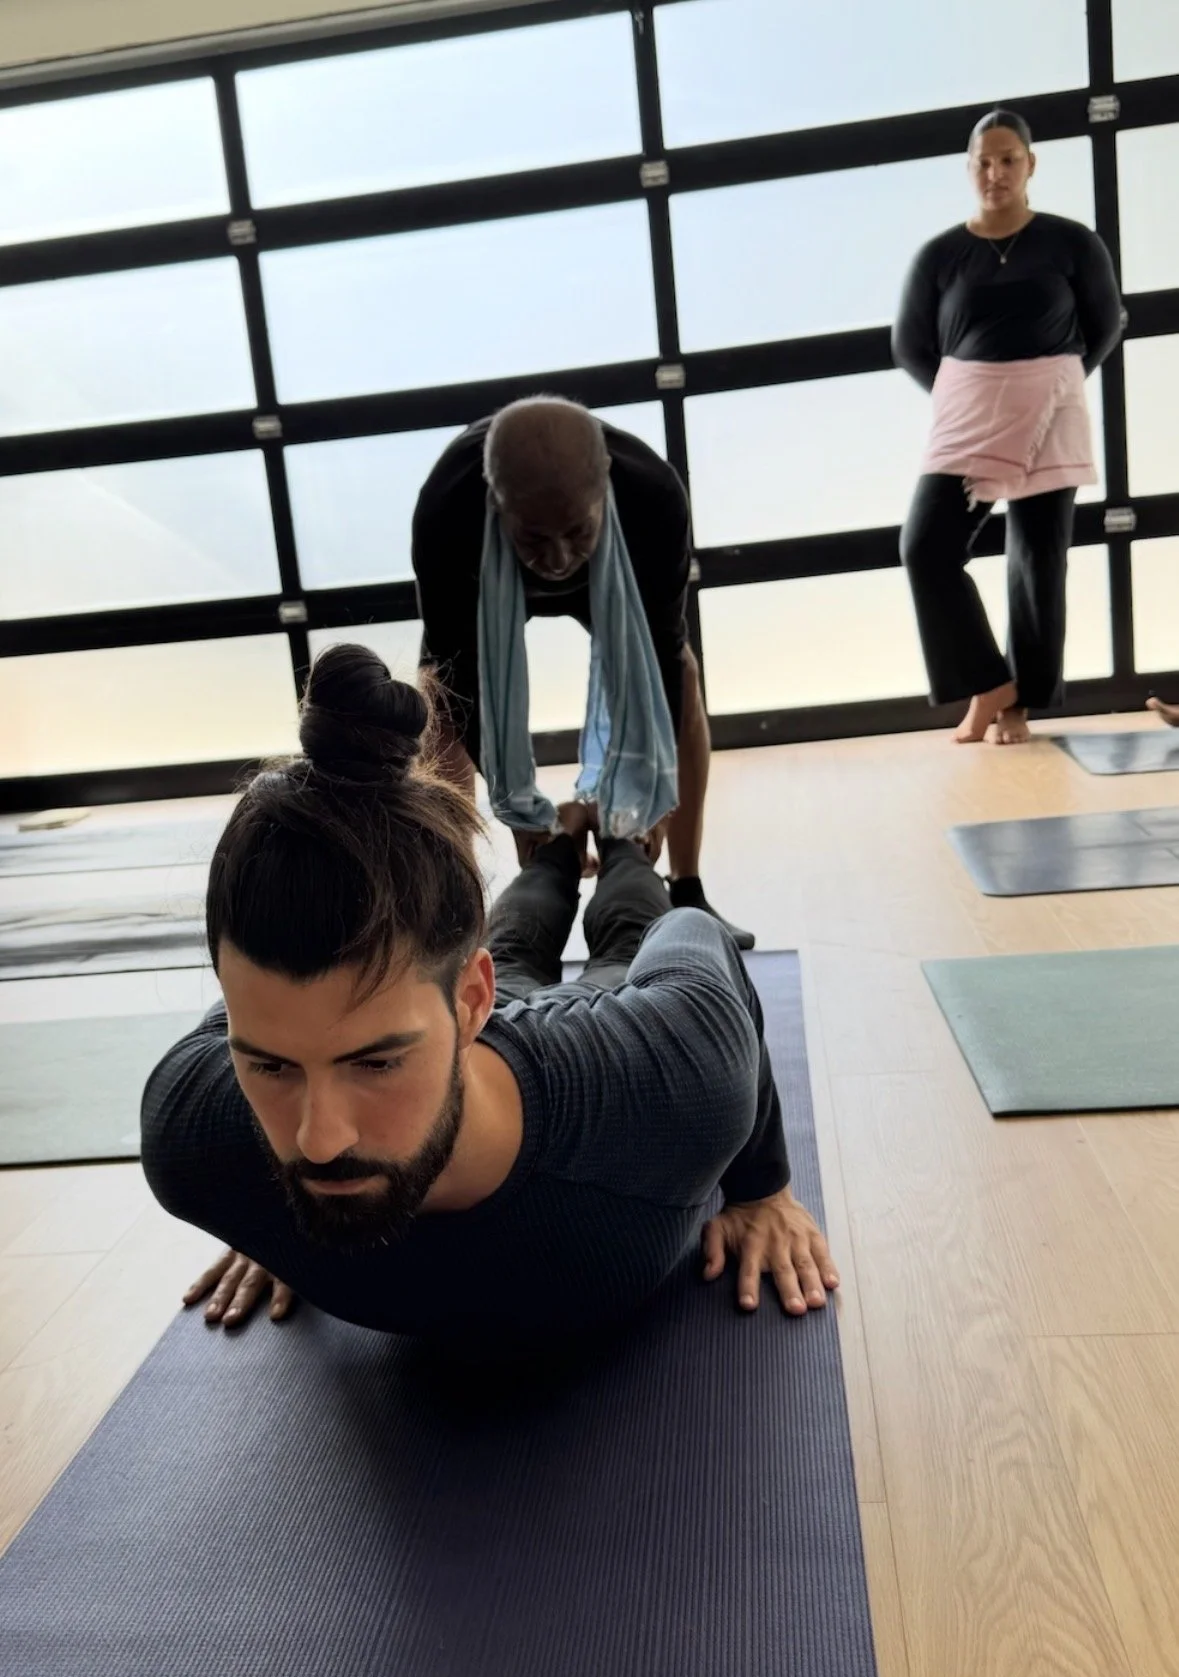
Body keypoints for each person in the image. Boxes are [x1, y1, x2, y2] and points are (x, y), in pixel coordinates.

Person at [140, 644, 837, 1347]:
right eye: (270, 1067)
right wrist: (263, 1217)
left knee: (628, 929)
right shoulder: (194, 1145)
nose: (318, 1142)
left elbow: (694, 933)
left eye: (377, 1063)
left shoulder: (671, 1078)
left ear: (472, 1003)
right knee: (512, 932)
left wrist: (760, 1188)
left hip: (570, 1025)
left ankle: (621, 843)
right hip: (471, 1013)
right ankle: (562, 849)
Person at [411, 394, 755, 950]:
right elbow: (458, 682)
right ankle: (458, 917)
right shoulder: (447, 509)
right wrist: (519, 815)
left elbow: (662, 659)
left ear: (605, 489)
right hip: (487, 578)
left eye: (575, 531)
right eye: (535, 538)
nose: (556, 558)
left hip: (617, 569)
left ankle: (687, 889)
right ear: (495, 501)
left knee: (686, 674)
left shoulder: (654, 498)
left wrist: (654, 800)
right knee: (439, 707)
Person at [894, 109, 1123, 745]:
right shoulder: (940, 255)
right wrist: (970, 394)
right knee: (925, 548)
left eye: (1008, 159)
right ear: (969, 169)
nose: (995, 173)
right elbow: (911, 345)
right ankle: (987, 682)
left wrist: (1054, 386)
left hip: (1051, 407)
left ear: (1030, 164)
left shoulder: (1072, 242)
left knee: (1036, 558)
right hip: (970, 412)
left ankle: (1019, 705)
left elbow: (1105, 325)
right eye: (983, 162)